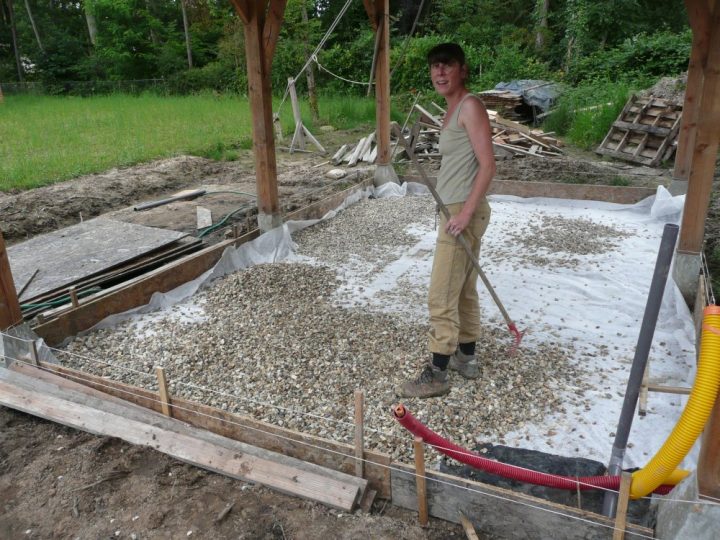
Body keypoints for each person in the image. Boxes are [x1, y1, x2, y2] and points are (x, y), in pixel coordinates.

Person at [396, 43, 496, 399]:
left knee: (441, 293)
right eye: (435, 66)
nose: (439, 72)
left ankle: (437, 372)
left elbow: (488, 165)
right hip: (457, 207)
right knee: (464, 290)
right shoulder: (451, 109)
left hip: (462, 211)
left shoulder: (470, 107)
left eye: (447, 66)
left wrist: (464, 213)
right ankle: (466, 359)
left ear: (462, 70)